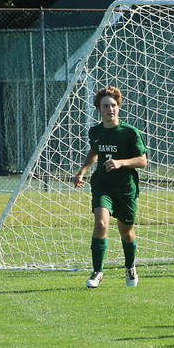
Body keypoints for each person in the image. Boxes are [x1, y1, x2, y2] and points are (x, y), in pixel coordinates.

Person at [72, 85, 148, 288]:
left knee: (126, 231)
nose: (110, 109)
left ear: (118, 107)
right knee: (101, 223)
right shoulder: (95, 131)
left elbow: (143, 161)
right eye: (105, 106)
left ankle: (130, 266)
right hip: (103, 184)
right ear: (99, 109)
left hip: (125, 187)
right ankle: (97, 271)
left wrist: (121, 162)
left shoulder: (130, 133)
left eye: (113, 105)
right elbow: (94, 152)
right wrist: (82, 172)